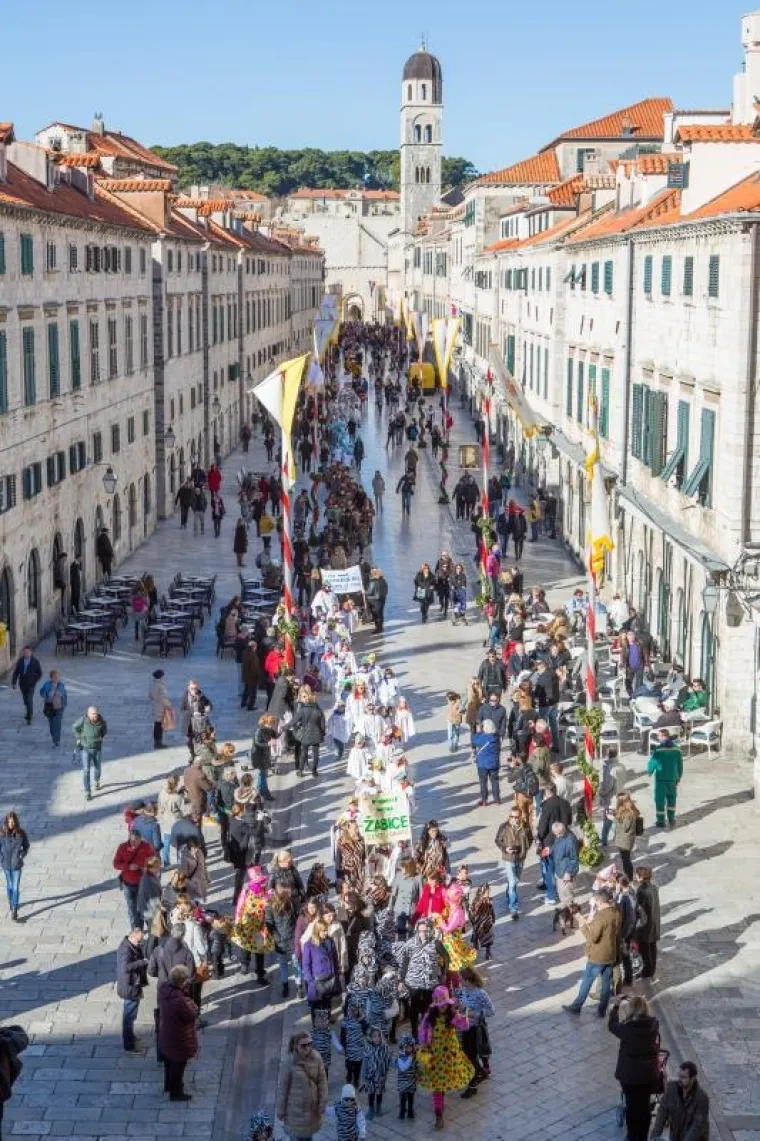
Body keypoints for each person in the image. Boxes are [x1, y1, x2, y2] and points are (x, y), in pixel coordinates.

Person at [417, 985, 474, 1130]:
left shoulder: (452, 1014)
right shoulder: (429, 1017)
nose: (442, 1007)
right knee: (437, 1087)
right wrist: (423, 1045)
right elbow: (422, 1031)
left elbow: (464, 1026)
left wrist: (464, 1014)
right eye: (440, 1005)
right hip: (434, 1057)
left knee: (443, 1084)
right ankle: (438, 1116)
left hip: (449, 1056)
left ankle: (440, 1106)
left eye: (444, 1004)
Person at [607, 995, 661, 1141]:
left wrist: (616, 1007)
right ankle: (643, 1137)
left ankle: (632, 1136)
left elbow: (612, 1025)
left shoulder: (627, 1028)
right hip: (648, 1074)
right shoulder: (653, 1025)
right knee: (644, 1106)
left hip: (630, 1075)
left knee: (632, 1106)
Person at [562, 886, 622, 1017]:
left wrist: (582, 925)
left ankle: (576, 1006)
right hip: (610, 954)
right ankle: (602, 1011)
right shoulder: (616, 913)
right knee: (606, 983)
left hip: (597, 956)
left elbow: (593, 937)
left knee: (587, 981)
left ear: (600, 901)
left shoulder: (601, 917)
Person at [277, 1030, 328, 1141]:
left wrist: (323, 1102)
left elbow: (322, 1081)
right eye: (303, 1045)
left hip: (312, 1111)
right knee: (296, 1137)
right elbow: (283, 1088)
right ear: (296, 1045)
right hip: (295, 1112)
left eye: (309, 1044)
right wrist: (281, 1110)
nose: (307, 1048)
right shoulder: (289, 1061)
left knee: (308, 1137)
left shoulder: (316, 1058)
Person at [157, 964, 198, 1101]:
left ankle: (168, 1086)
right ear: (182, 982)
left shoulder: (164, 988)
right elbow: (191, 1015)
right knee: (178, 1064)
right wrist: (192, 1004)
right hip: (179, 1037)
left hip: (166, 1032)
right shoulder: (179, 1000)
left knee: (169, 1061)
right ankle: (176, 1093)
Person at [651, 1060, 710, 1141]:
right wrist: (654, 1137)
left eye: (683, 1077)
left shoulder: (702, 1098)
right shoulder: (671, 1088)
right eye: (679, 1076)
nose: (680, 1079)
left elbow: (697, 1127)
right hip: (675, 1136)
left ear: (693, 1078)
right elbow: (662, 1113)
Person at [495, 805, 532, 920]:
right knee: (512, 883)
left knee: (515, 881)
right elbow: (498, 840)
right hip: (509, 858)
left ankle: (509, 894)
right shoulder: (504, 826)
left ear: (520, 816)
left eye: (517, 817)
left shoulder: (525, 826)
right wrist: (505, 848)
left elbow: (530, 839)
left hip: (520, 858)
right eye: (512, 817)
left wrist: (525, 849)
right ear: (509, 816)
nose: (515, 819)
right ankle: (513, 909)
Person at [114, 830, 156, 930]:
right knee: (131, 908)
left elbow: (154, 862)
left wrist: (144, 867)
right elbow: (116, 864)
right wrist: (128, 866)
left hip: (142, 883)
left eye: (137, 841)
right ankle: (135, 929)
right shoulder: (122, 847)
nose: (134, 843)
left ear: (141, 839)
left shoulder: (146, 847)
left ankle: (141, 927)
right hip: (127, 883)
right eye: (132, 841)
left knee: (141, 907)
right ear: (129, 838)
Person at [116, 927, 148, 1053]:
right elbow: (125, 967)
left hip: (130, 986)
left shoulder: (128, 945)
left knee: (130, 1015)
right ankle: (129, 1045)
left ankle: (131, 1037)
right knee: (129, 1017)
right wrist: (142, 962)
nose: (140, 944)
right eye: (139, 941)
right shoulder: (126, 950)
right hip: (129, 988)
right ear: (132, 937)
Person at [647, 728, 683, 828]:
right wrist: (679, 777)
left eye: (658, 736)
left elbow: (653, 762)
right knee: (672, 798)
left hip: (661, 778)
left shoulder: (658, 750)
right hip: (672, 778)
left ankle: (661, 821)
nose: (657, 737)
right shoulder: (677, 749)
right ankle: (671, 819)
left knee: (659, 799)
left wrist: (650, 771)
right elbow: (680, 765)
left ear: (663, 736)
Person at [72, 705, 108, 801]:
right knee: (86, 770)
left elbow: (104, 731)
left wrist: (100, 738)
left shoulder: (102, 722)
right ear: (88, 714)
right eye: (93, 714)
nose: (95, 715)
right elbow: (75, 727)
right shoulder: (83, 720)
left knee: (97, 768)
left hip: (97, 749)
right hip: (86, 749)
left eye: (96, 713)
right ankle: (87, 791)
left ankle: (96, 780)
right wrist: (79, 737)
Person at [0, 812, 30, 922]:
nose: (11, 824)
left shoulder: (21, 833)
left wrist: (21, 855)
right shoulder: (2, 833)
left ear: (16, 822)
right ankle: (11, 901)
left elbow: (26, 846)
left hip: (17, 864)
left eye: (13, 822)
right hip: (6, 864)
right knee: (9, 886)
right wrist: (1, 857)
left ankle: (15, 909)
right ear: (6, 822)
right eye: (9, 822)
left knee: (15, 887)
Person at [291, 689, 326, 778]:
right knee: (316, 754)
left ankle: (300, 771)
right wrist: (322, 734)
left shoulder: (303, 710)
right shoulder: (319, 711)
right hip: (316, 735)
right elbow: (323, 725)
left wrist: (287, 728)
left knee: (303, 753)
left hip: (305, 735)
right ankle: (314, 771)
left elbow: (294, 721)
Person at [634, 866, 661, 979]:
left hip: (646, 925)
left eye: (636, 875)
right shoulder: (654, 887)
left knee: (645, 949)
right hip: (654, 920)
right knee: (652, 946)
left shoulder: (641, 891)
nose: (635, 876)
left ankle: (647, 971)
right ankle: (652, 969)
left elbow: (639, 909)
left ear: (641, 877)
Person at [471, 719, 501, 807]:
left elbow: (474, 740)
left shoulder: (482, 737)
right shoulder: (496, 737)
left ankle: (484, 800)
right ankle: (497, 799)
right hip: (494, 763)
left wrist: (479, 731)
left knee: (483, 782)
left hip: (482, 764)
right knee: (495, 781)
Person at [11, 646, 42, 725]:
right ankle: (30, 711)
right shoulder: (20, 661)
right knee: (25, 700)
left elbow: (39, 673)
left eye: (27, 652)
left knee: (29, 699)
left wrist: (35, 680)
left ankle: (29, 716)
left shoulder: (35, 661)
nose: (26, 653)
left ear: (31, 652)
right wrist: (14, 682)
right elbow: (16, 673)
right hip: (22, 684)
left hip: (31, 684)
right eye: (24, 652)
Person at [614, 792, 641, 878]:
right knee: (626, 860)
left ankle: (629, 878)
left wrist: (615, 819)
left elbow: (624, 827)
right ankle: (629, 877)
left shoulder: (628, 814)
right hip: (626, 840)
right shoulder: (630, 810)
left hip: (624, 842)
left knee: (626, 861)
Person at [39, 668, 67, 746]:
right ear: (51, 678)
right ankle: (53, 736)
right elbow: (41, 692)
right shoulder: (47, 684)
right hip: (50, 707)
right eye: (55, 677)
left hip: (60, 707)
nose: (56, 678)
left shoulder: (61, 684)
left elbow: (64, 695)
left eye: (57, 677)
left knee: (58, 723)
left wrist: (64, 703)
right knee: (51, 724)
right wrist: (47, 695)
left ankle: (57, 740)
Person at [149, 670, 172, 750]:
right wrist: (168, 704)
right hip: (160, 708)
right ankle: (158, 743)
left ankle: (157, 742)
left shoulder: (152, 684)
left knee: (157, 725)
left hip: (155, 706)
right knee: (159, 726)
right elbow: (162, 698)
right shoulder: (159, 685)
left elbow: (151, 695)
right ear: (161, 677)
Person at [366, 568, 388, 633]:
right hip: (382, 600)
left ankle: (378, 628)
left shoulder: (372, 582)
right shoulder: (383, 581)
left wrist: (364, 592)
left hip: (374, 601)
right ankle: (380, 628)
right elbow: (386, 591)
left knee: (376, 615)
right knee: (380, 614)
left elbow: (369, 592)